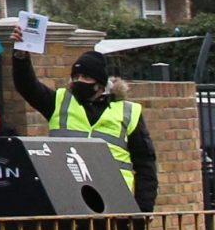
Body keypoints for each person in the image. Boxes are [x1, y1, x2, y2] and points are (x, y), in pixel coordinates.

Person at [13, 45, 157, 210]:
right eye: (76, 76)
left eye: (86, 77)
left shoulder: (129, 111)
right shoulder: (59, 102)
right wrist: (20, 54)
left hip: (117, 200)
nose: (79, 81)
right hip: (68, 198)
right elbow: (27, 86)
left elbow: (145, 164)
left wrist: (144, 208)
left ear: (100, 83)